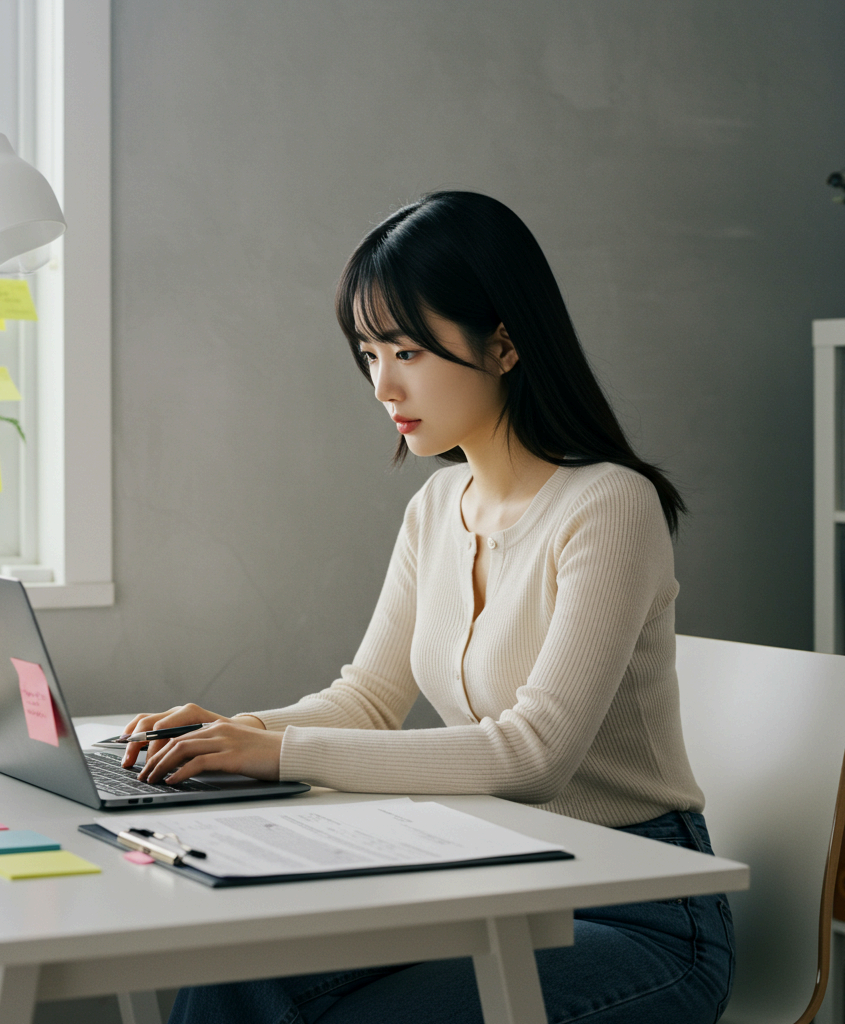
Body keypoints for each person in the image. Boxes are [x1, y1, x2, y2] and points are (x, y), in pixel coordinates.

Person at [122, 191, 736, 1024]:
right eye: (369, 352)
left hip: (638, 911)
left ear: (506, 343)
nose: (382, 385)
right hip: (495, 881)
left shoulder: (609, 505)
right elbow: (367, 700)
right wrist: (227, 737)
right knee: (237, 971)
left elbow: (534, 756)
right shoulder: (436, 505)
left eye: (407, 350)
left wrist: (277, 754)